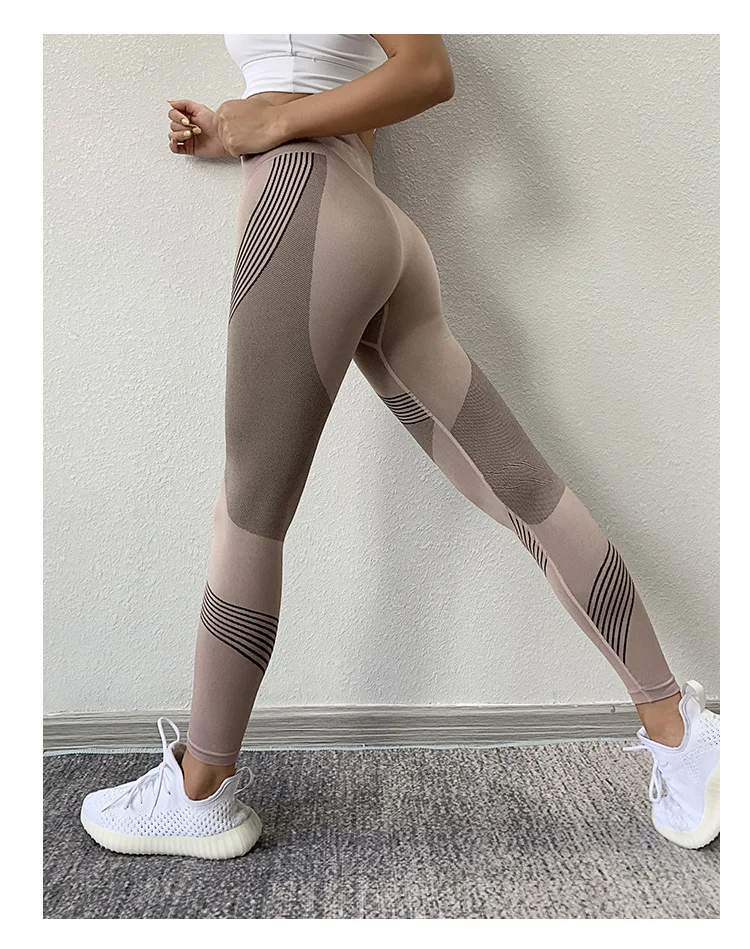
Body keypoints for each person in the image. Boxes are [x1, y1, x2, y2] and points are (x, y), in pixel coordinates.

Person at [79, 34, 719, 859]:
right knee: (525, 492)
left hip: (301, 201)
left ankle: (200, 788)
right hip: (370, 216)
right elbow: (335, 75)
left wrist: (269, 125)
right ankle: (685, 737)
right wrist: (235, 128)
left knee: (249, 512)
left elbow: (425, 71)